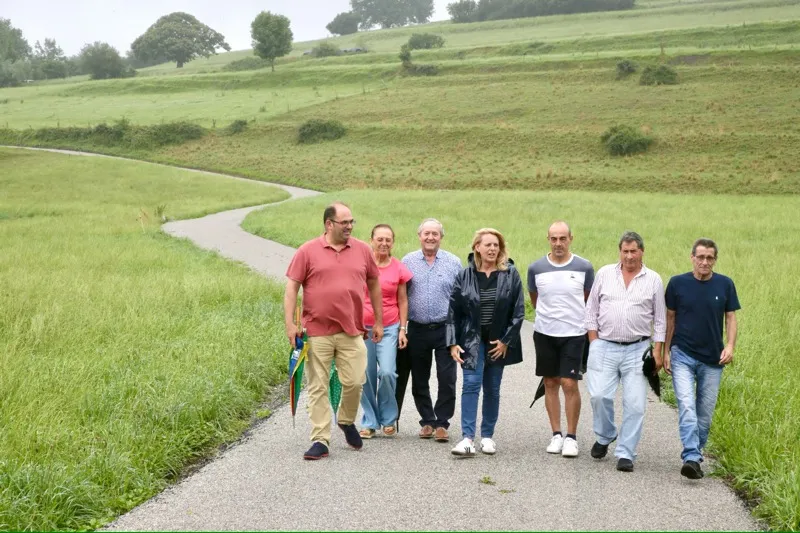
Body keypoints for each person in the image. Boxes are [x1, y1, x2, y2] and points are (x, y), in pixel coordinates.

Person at [284, 202, 383, 460]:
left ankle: (346, 420)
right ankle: (320, 439)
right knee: (317, 386)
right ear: (329, 224)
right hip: (317, 331)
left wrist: (379, 322)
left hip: (352, 330)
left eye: (352, 222)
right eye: (344, 222)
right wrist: (290, 324)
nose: (349, 226)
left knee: (355, 380)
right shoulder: (307, 250)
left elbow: (374, 284)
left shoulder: (362, 250)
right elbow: (292, 287)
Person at [585, 231, 666, 472]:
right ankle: (606, 434)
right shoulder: (604, 274)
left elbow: (660, 320)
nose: (629, 256)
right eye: (625, 251)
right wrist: (594, 342)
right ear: (619, 252)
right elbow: (591, 311)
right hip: (604, 346)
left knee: (635, 404)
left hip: (638, 349)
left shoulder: (653, 279)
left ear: (642, 251)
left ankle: (625, 452)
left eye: (634, 251)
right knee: (599, 395)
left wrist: (659, 351)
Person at [664, 238, 740, 479]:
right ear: (692, 258)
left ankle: (696, 451)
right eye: (700, 257)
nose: (705, 262)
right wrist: (665, 350)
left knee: (704, 414)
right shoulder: (677, 284)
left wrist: (730, 345)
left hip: (713, 359)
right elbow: (670, 318)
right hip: (682, 354)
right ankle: (691, 457)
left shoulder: (725, 284)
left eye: (709, 258)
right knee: (686, 406)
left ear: (714, 260)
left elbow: (730, 318)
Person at [447, 228, 525, 457]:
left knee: (492, 389)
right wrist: (452, 342)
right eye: (488, 245)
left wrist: (506, 340)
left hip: (498, 340)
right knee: (471, 384)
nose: (492, 249)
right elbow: (453, 311)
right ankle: (467, 438)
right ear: (477, 248)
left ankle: (488, 436)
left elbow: (519, 312)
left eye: (496, 245)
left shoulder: (510, 273)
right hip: (472, 340)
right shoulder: (465, 275)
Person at [528, 221, 594, 458]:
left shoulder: (584, 267)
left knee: (569, 383)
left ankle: (571, 437)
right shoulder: (536, 268)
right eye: (554, 238)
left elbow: (588, 299)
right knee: (550, 382)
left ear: (570, 239)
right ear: (548, 239)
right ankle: (556, 434)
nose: (558, 243)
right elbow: (535, 300)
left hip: (574, 334)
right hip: (545, 333)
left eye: (562, 238)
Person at [402, 218, 462, 442]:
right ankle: (427, 420)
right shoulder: (407, 261)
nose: (430, 238)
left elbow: (460, 298)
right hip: (417, 328)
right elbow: (400, 295)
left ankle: (442, 423)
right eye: (426, 233)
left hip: (445, 327)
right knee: (420, 377)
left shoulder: (453, 262)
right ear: (419, 236)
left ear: (441, 237)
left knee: (447, 377)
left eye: (435, 234)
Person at [359, 224, 413, 439]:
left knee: (388, 372)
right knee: (367, 375)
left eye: (388, 239)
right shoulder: (361, 265)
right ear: (371, 240)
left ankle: (389, 417)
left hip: (389, 327)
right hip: (363, 329)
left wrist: (402, 329)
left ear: (393, 242)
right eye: (379, 239)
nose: (383, 243)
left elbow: (403, 300)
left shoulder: (398, 267)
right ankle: (370, 421)